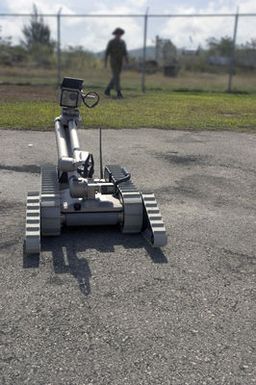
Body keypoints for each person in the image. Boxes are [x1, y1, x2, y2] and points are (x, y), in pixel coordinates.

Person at [104, 27, 128, 99]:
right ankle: (118, 92)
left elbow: (125, 52)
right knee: (117, 76)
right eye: (117, 33)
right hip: (113, 61)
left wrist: (127, 60)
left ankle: (107, 89)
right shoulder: (111, 42)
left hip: (120, 61)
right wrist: (105, 62)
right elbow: (107, 52)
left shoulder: (122, 42)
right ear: (115, 34)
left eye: (120, 34)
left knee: (115, 76)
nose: (119, 35)